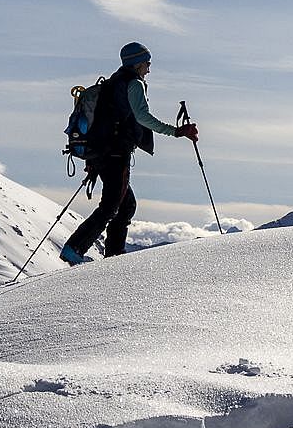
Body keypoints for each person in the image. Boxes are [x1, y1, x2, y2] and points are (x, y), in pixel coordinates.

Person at [60, 42, 199, 263]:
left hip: (101, 152)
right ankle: (76, 248)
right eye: (147, 63)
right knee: (112, 205)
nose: (149, 68)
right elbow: (143, 117)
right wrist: (176, 132)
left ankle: (113, 256)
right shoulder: (134, 84)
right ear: (137, 63)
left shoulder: (114, 82)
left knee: (125, 206)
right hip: (115, 153)